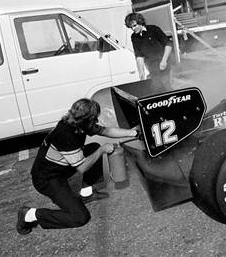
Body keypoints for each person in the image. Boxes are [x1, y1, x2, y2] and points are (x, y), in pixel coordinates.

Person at [16, 98, 138, 235]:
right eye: (94, 119)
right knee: (80, 217)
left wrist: (133, 133)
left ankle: (86, 194)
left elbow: (106, 131)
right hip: (47, 179)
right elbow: (82, 167)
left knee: (93, 148)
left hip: (60, 168)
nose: (96, 122)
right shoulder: (66, 135)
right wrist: (103, 150)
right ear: (84, 120)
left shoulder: (77, 124)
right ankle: (29, 214)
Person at [124, 13, 173, 91]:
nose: (133, 29)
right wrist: (141, 74)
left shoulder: (153, 29)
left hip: (164, 63)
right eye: (131, 27)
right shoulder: (134, 37)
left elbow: (168, 44)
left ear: (140, 22)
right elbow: (139, 56)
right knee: (156, 88)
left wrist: (164, 61)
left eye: (134, 25)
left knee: (167, 86)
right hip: (152, 66)